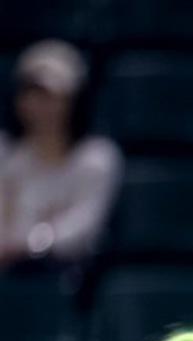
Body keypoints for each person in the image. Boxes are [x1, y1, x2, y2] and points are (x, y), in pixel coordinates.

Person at [0, 39, 122, 276]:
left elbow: (82, 228)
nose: (41, 108)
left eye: (52, 97)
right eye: (32, 95)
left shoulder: (98, 157)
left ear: (74, 101)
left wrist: (29, 244)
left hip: (63, 275)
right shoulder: (3, 151)